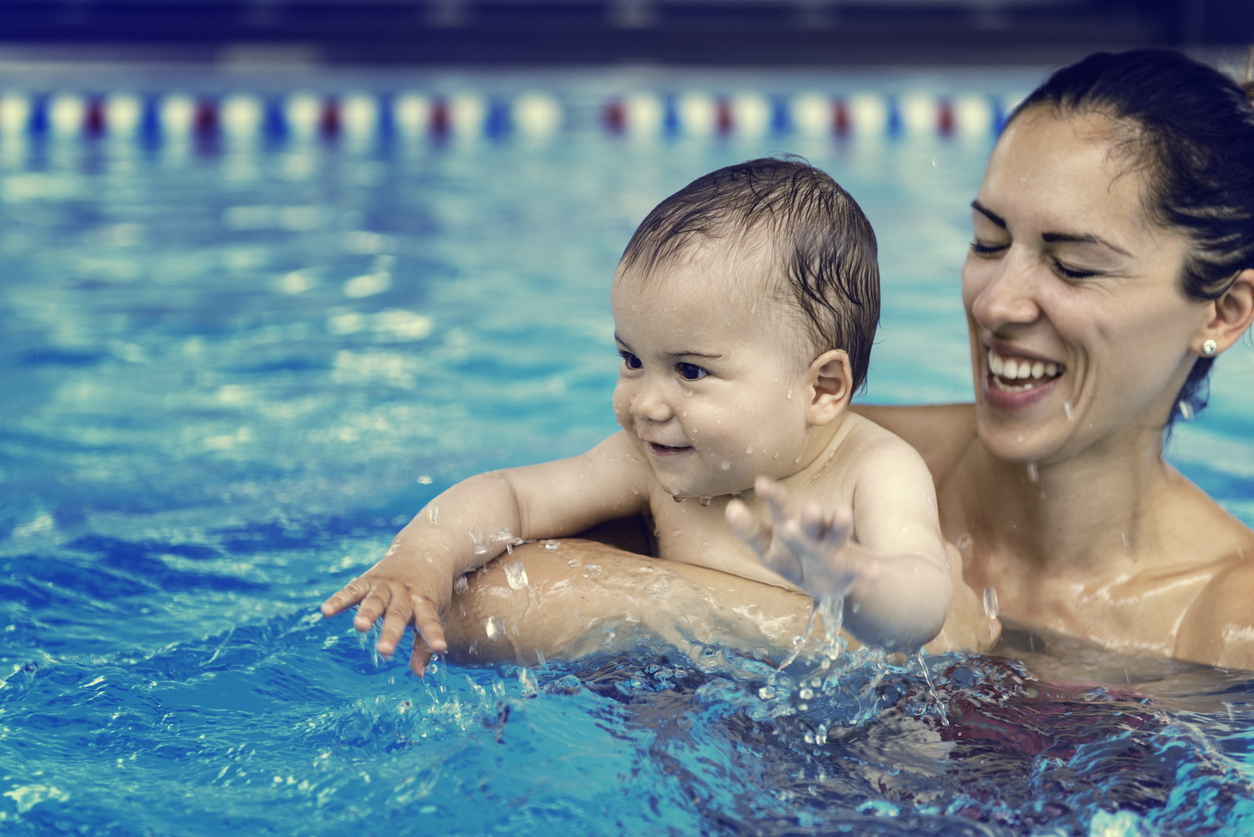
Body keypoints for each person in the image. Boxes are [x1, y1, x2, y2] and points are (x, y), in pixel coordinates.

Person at [433, 48, 1254, 673]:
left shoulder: (1224, 623)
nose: (997, 301)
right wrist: (850, 634)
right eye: (987, 242)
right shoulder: (805, 457)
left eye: (1073, 265)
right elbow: (482, 602)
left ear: (1222, 311)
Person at [321, 158, 955, 675]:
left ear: (821, 387)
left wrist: (853, 580)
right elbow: (512, 496)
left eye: (689, 371)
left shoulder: (873, 470)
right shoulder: (650, 459)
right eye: (631, 360)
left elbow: (923, 600)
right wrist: (422, 558)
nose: (644, 405)